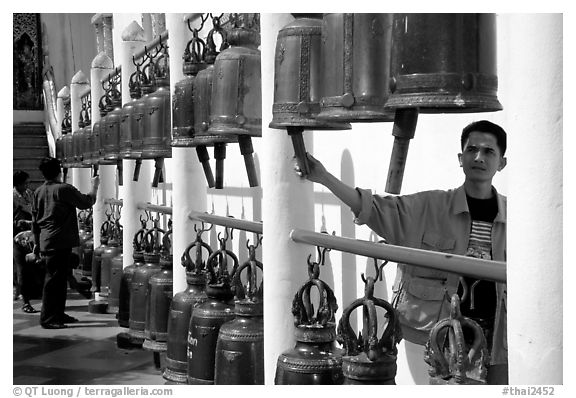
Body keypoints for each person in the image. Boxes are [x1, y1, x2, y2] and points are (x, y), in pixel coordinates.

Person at [295, 120, 508, 384]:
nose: (478, 157)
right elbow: (373, 208)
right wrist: (324, 177)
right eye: (472, 149)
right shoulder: (430, 206)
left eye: (489, 152)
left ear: (501, 163)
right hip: (448, 333)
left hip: (500, 333)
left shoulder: (517, 216)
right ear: (460, 157)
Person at [30, 157, 100, 329]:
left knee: (59, 281)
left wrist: (36, 245)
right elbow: (86, 202)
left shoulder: (38, 191)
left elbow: (34, 221)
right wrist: (95, 186)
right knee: (53, 282)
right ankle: (48, 319)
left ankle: (58, 314)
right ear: (59, 171)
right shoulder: (63, 189)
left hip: (47, 241)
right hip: (59, 243)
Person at [13, 170, 39, 312]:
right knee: (21, 268)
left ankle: (27, 292)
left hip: (30, 234)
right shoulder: (11, 197)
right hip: (16, 237)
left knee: (30, 267)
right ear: (18, 184)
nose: (27, 185)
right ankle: (25, 302)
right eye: (25, 183)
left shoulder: (29, 194)